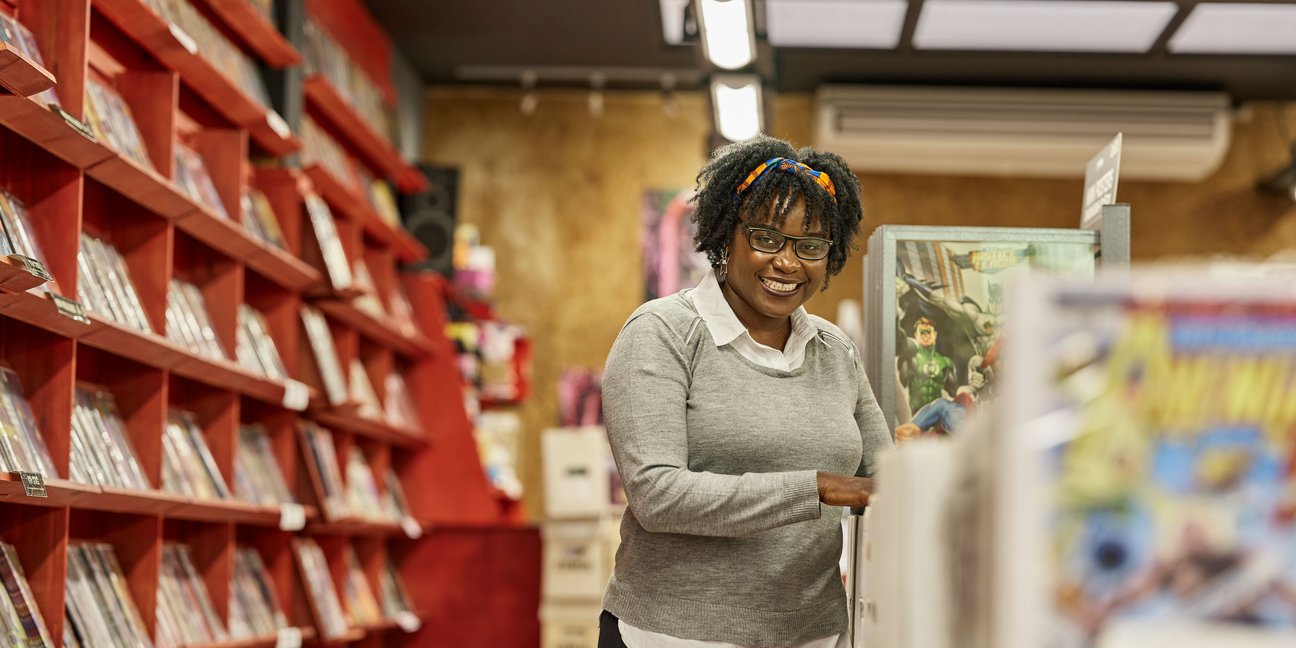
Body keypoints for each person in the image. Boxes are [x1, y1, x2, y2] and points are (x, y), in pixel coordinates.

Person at [599, 135, 892, 648]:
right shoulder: (662, 333)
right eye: (767, 238)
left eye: (811, 246)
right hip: (673, 636)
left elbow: (880, 477)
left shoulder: (834, 349)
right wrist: (816, 488)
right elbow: (657, 495)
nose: (788, 262)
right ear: (726, 236)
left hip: (811, 634)